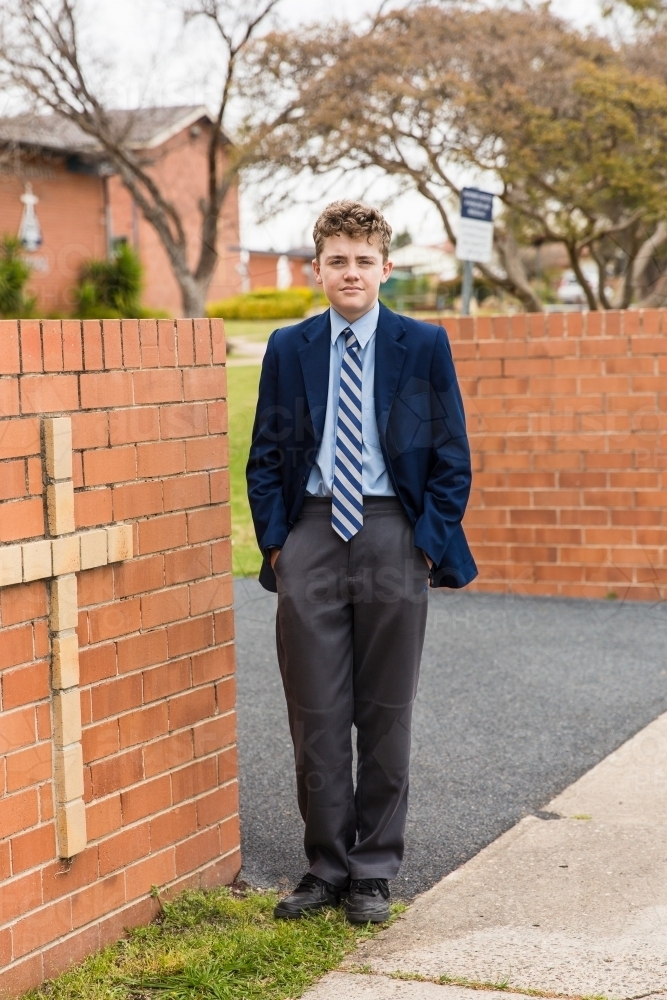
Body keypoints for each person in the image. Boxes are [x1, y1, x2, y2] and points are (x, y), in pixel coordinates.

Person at [247, 200, 476, 923]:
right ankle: (325, 866)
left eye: (362, 260)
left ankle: (374, 869)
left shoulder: (423, 343)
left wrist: (424, 543)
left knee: (384, 712)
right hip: (312, 532)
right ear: (317, 270)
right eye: (336, 260)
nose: (350, 272)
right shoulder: (289, 347)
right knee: (314, 711)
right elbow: (263, 456)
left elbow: (450, 458)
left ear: (386, 268)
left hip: (389, 531)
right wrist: (279, 545)